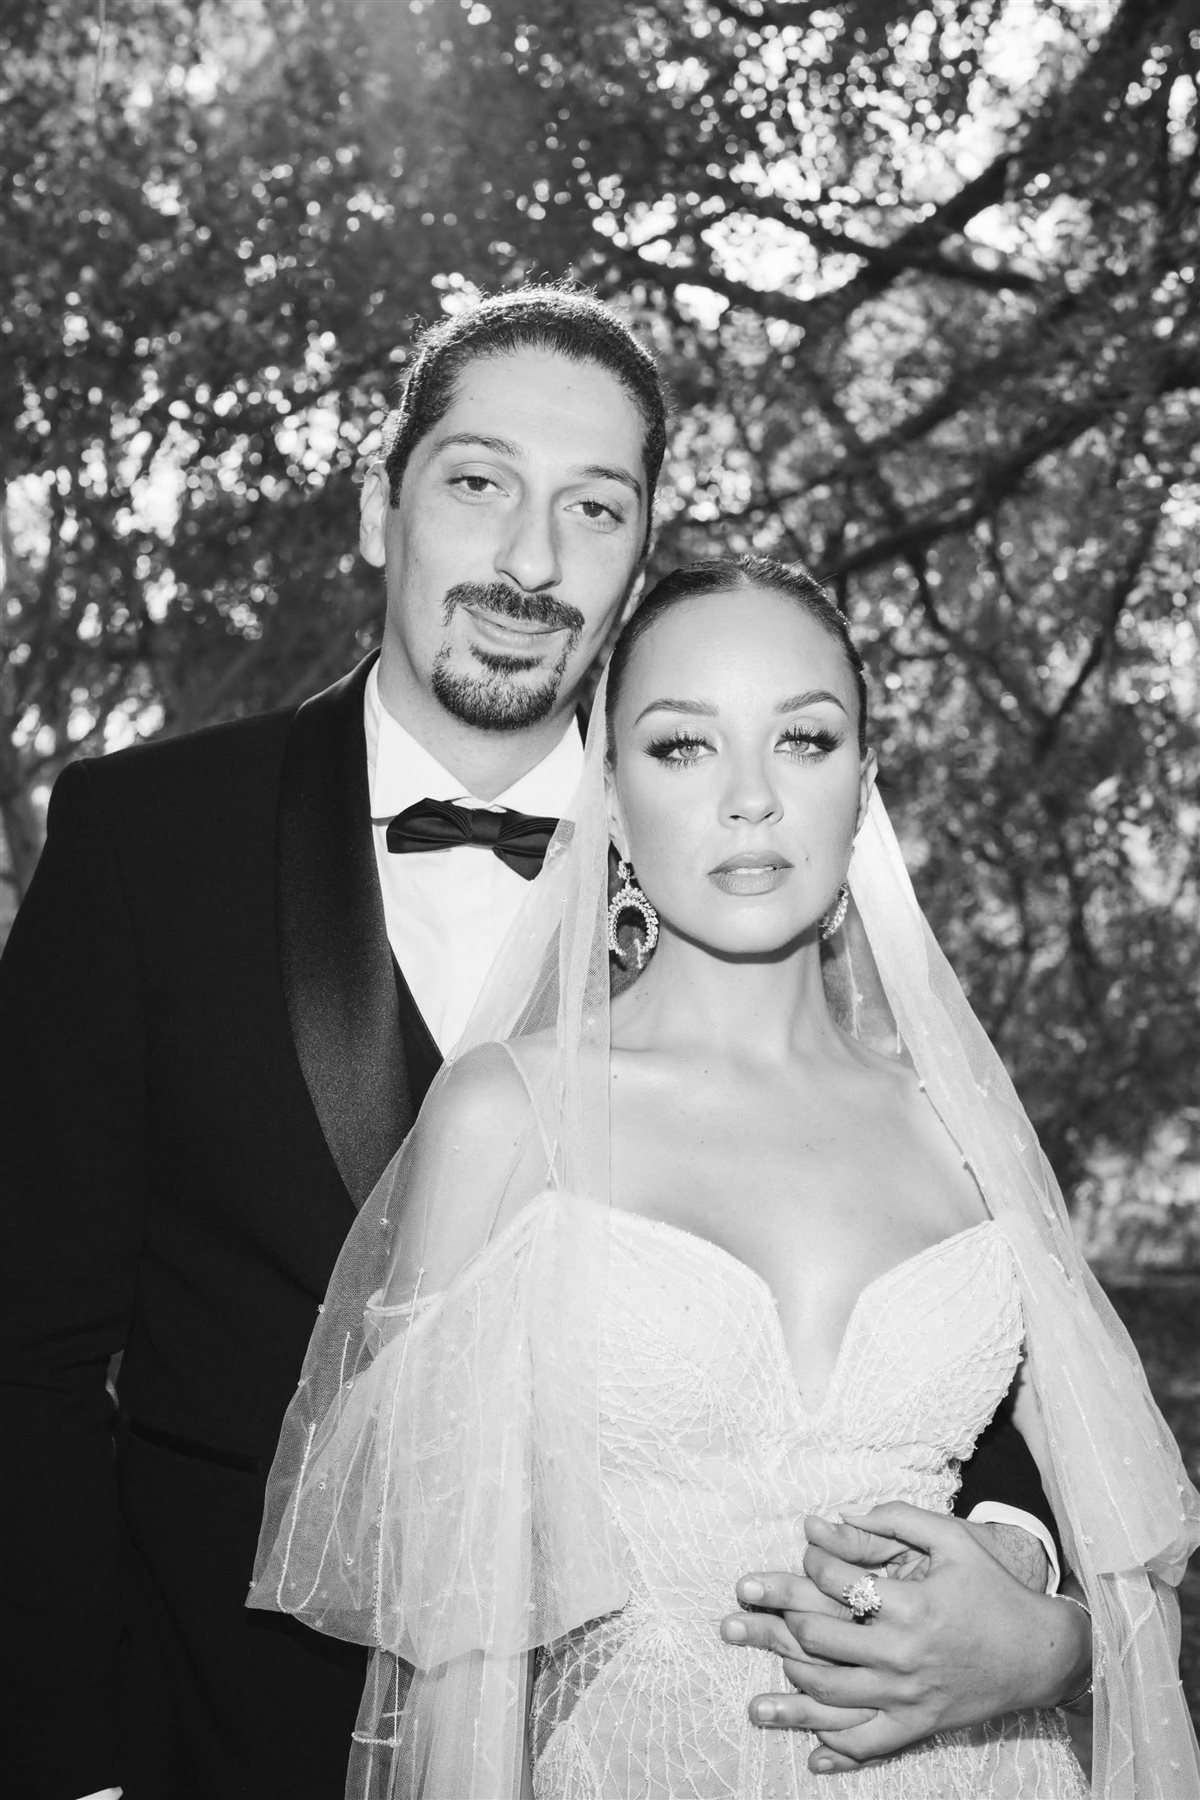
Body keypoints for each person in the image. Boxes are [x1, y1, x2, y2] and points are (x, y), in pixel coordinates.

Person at [0, 285, 1085, 1800]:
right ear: (380, 508)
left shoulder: (745, 850)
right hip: (220, 1730)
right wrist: (67, 1760)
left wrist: (1030, 1590)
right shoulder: (146, 839)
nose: (530, 560)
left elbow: (930, 1317)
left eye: (593, 507)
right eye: (478, 483)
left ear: (640, 553)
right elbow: (29, 1350)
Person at [250, 556, 1199, 1798]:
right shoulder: (510, 1118)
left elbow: (1128, 1554)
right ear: (609, 795)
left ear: (864, 784)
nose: (751, 799)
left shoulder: (959, 1124)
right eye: (683, 746)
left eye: (803, 739)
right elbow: (453, 1649)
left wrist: (1054, 1652)